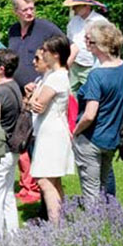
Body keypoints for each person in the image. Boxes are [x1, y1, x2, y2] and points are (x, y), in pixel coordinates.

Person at [8, 0, 64, 204]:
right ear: (16, 11)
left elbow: (69, 48)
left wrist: (53, 75)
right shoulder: (13, 31)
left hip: (42, 94)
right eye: (25, 9)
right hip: (22, 94)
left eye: (32, 7)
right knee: (26, 145)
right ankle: (36, 193)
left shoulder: (45, 28)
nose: (30, 12)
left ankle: (47, 203)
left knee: (41, 151)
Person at [73, 22, 123, 202]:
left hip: (91, 139)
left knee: (91, 193)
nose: (86, 44)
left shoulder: (97, 75)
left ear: (100, 45)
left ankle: (94, 227)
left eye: (89, 41)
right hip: (112, 139)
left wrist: (75, 132)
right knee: (104, 189)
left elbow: (90, 114)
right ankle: (108, 223)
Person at [29, 35, 75, 222]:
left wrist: (33, 98)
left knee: (45, 180)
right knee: (53, 179)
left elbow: (38, 104)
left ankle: (55, 223)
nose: (43, 54)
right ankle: (60, 221)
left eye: (46, 51)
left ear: (55, 55)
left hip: (51, 132)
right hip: (50, 130)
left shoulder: (56, 77)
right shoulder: (53, 76)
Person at [0, 50, 22, 238]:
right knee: (8, 195)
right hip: (13, 148)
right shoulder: (15, 86)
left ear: (1, 69)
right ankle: (13, 237)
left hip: (1, 149)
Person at [63, 0, 107, 93]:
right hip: (74, 66)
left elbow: (107, 46)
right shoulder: (73, 22)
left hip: (92, 66)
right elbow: (69, 43)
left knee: (91, 95)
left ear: (86, 6)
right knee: (70, 96)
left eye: (76, 6)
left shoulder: (100, 22)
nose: (73, 9)